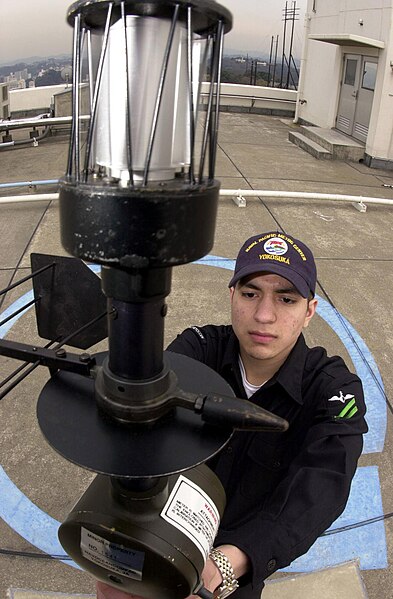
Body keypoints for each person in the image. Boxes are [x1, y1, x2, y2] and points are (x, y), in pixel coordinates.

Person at [96, 231, 367, 599]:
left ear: (309, 311)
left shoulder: (333, 389)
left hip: (237, 565)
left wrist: (225, 563)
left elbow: (320, 490)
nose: (263, 315)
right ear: (231, 296)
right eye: (250, 293)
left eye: (286, 298)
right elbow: (141, 432)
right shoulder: (198, 348)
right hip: (162, 536)